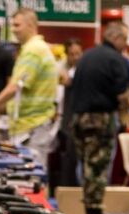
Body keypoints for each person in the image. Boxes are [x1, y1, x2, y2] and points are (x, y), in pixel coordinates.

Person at [69, 22, 129, 214]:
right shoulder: (115, 59)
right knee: (97, 168)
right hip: (99, 119)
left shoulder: (88, 55)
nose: (126, 44)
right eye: (125, 39)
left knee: (86, 166)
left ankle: (91, 211)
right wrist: (125, 108)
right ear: (116, 38)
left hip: (78, 118)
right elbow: (122, 95)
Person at [0, 9, 58, 169]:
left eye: (17, 25)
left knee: (33, 177)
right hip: (31, 126)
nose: (13, 29)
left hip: (33, 127)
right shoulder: (34, 48)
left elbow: (16, 86)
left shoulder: (33, 51)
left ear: (30, 25)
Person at [55, 38, 84, 189]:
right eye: (72, 54)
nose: (75, 57)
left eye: (78, 53)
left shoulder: (84, 70)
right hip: (65, 123)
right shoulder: (61, 71)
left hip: (78, 123)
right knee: (66, 161)